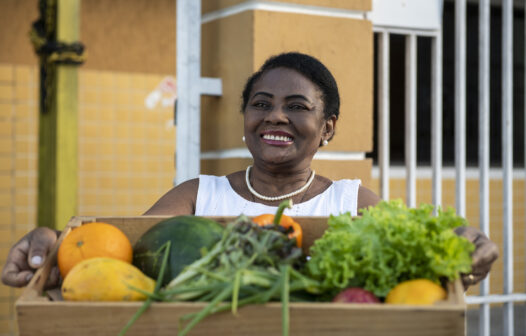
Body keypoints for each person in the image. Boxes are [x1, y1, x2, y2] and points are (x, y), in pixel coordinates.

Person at [2, 52, 497, 289]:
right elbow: (121, 248)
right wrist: (54, 243)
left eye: (297, 107)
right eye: (261, 104)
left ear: (327, 128)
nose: (276, 116)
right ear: (246, 122)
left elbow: (415, 245)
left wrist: (457, 242)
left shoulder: (352, 202)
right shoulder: (198, 196)